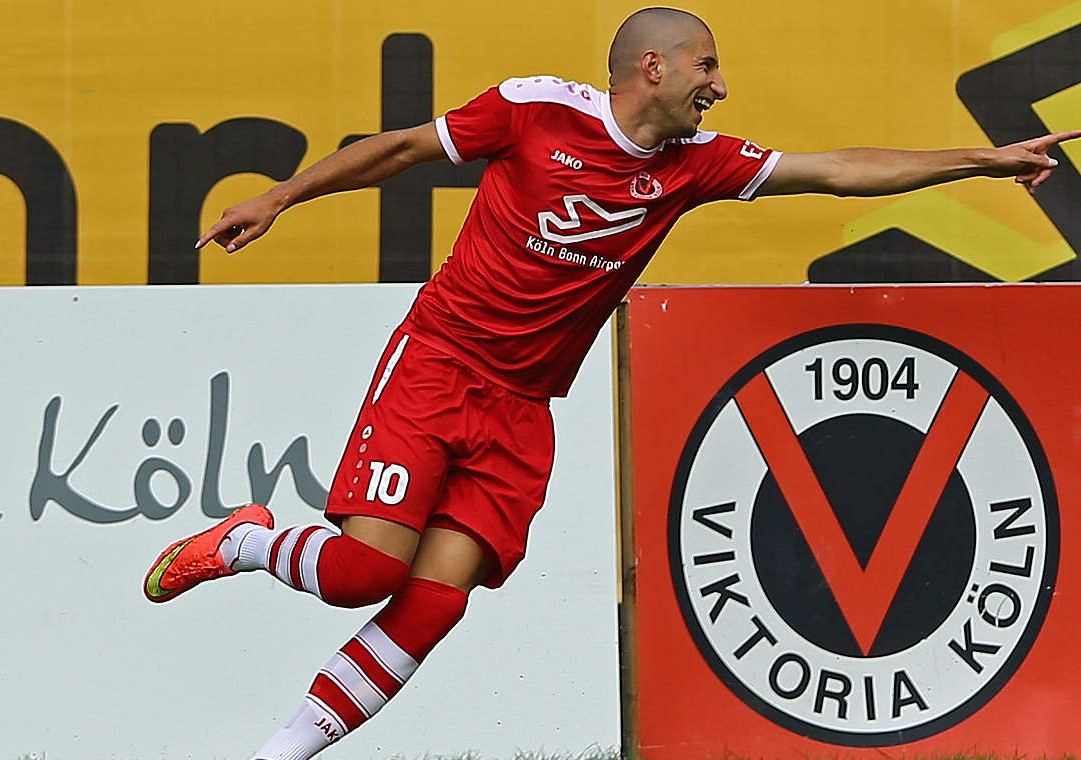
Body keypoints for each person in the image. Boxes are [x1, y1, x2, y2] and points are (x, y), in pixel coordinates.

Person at [144, 7, 1078, 759]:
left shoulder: (695, 167)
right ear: (654, 70)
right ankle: (247, 541)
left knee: (432, 605)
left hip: (524, 411)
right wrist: (277, 196)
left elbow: (835, 170)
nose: (721, 86)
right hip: (437, 368)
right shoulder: (533, 110)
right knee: (360, 576)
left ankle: (275, 753)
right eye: (706, 66)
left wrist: (982, 162)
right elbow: (396, 150)